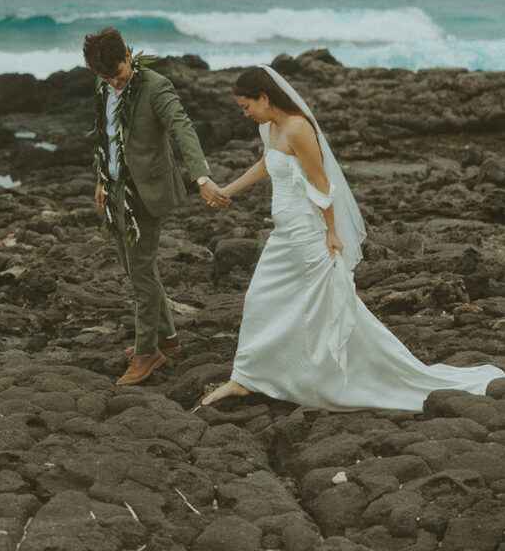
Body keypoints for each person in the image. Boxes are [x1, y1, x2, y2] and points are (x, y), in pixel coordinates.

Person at [202, 64, 504, 410]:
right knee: (267, 301)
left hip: (304, 236)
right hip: (283, 234)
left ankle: (268, 377)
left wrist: (332, 232)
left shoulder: (299, 128)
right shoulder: (271, 127)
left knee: (302, 306)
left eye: (246, 106)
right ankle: (250, 377)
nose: (245, 114)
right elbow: (267, 164)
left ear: (265, 98)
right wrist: (229, 190)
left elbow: (322, 184)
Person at [83, 27, 228, 386]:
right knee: (136, 271)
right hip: (115, 189)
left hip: (147, 192)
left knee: (143, 272)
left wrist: (201, 177)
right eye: (105, 78)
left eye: (117, 76)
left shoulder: (156, 87)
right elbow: (106, 135)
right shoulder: (103, 83)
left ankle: (147, 353)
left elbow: (183, 129)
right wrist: (102, 179)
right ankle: (169, 338)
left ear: (129, 56)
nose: (113, 84)